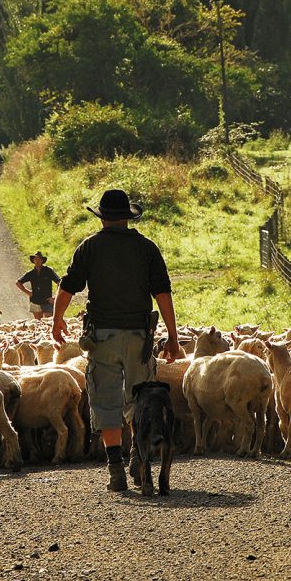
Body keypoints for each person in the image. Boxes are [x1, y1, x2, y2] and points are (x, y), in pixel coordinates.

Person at [52, 189, 182, 492]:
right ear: (126, 217)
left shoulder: (89, 248)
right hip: (139, 337)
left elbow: (68, 286)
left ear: (102, 219)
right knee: (141, 401)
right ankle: (138, 455)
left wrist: (57, 319)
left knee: (105, 398)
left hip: (103, 337)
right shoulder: (147, 248)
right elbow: (162, 292)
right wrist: (173, 337)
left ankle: (115, 471)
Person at [16, 251, 60, 319]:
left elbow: (59, 282)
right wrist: (28, 292)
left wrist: (55, 297)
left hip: (47, 301)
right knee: (38, 324)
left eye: (39, 259)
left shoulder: (48, 271)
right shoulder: (31, 273)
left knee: (49, 322)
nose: (37, 261)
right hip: (35, 301)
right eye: (35, 259)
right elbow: (18, 283)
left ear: (42, 260)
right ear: (33, 260)